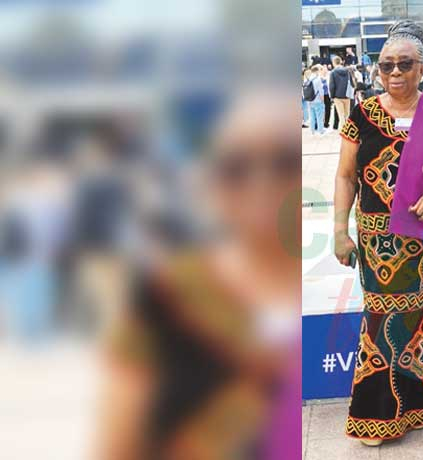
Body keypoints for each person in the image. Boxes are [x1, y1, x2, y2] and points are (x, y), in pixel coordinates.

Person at [98, 94, 301, 459]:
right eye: (236, 167)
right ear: (212, 183)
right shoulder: (164, 294)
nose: (262, 181)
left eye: (284, 162)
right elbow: (117, 445)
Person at [333, 19, 423, 446]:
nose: (395, 73)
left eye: (405, 64)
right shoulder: (363, 116)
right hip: (377, 244)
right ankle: (377, 412)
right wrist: (339, 230)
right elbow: (345, 177)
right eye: (386, 66)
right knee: (381, 316)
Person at [328, 55, 353, 133]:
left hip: (337, 96)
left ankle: (343, 131)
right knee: (347, 114)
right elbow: (352, 83)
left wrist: (332, 96)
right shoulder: (347, 71)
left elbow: (332, 85)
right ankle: (349, 130)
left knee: (341, 115)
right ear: (341, 62)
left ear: (333, 63)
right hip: (347, 95)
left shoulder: (333, 72)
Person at [306, 66, 327, 136]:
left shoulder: (308, 79)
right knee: (319, 116)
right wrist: (323, 101)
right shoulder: (317, 79)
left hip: (309, 101)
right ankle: (321, 131)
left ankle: (312, 131)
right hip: (317, 100)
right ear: (317, 71)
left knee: (312, 116)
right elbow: (321, 92)